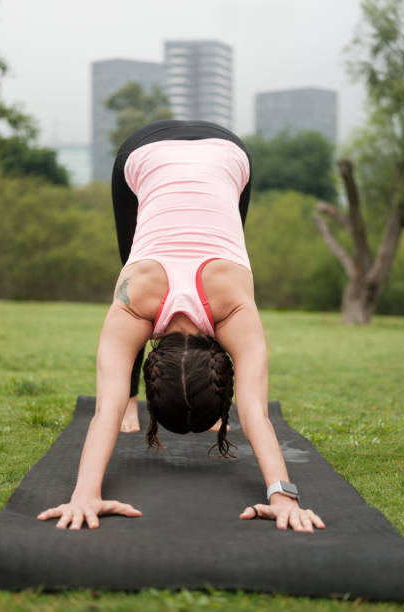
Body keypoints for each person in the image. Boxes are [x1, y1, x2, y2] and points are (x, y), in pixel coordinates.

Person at [37, 119, 325, 533]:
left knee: (143, 251)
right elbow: (254, 414)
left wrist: (87, 494)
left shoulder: (230, 310)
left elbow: (253, 412)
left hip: (230, 152)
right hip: (153, 153)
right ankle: (141, 391)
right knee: (132, 256)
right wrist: (280, 496)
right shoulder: (137, 304)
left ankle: (148, 394)